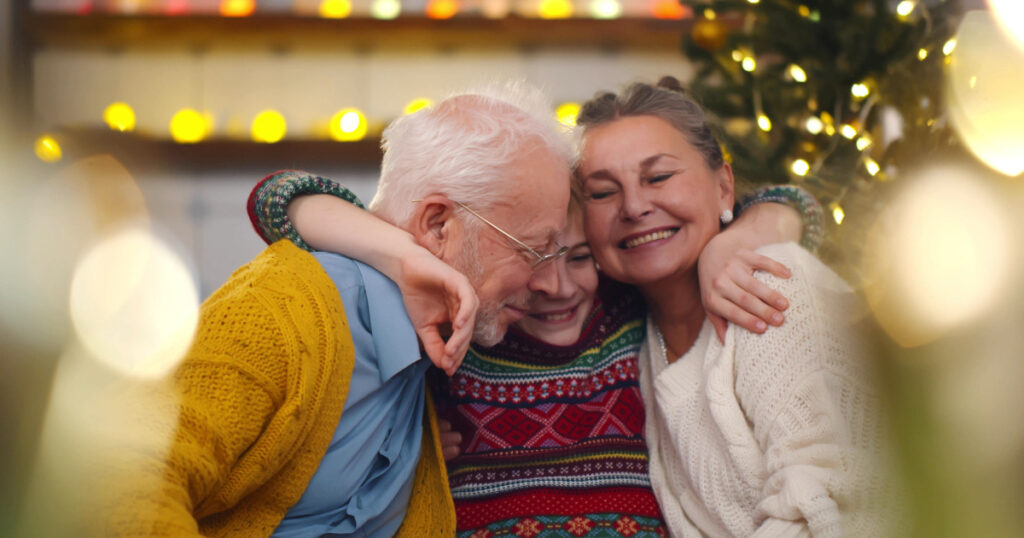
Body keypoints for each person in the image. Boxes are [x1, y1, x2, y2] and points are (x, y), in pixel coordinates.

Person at [93, 82, 581, 537]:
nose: (551, 284)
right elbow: (114, 482)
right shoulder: (280, 314)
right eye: (534, 251)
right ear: (438, 226)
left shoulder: (446, 344)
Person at [247, 153, 822, 534]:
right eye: (531, 256)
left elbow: (792, 203)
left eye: (578, 257)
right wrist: (406, 257)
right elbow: (280, 196)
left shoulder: (621, 309)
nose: (555, 286)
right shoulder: (468, 318)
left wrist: (732, 240)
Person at [575, 77, 901, 536]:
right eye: (603, 192)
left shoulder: (772, 284)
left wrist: (756, 228)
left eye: (659, 177)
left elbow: (829, 510)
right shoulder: (625, 336)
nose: (633, 206)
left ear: (724, 188)